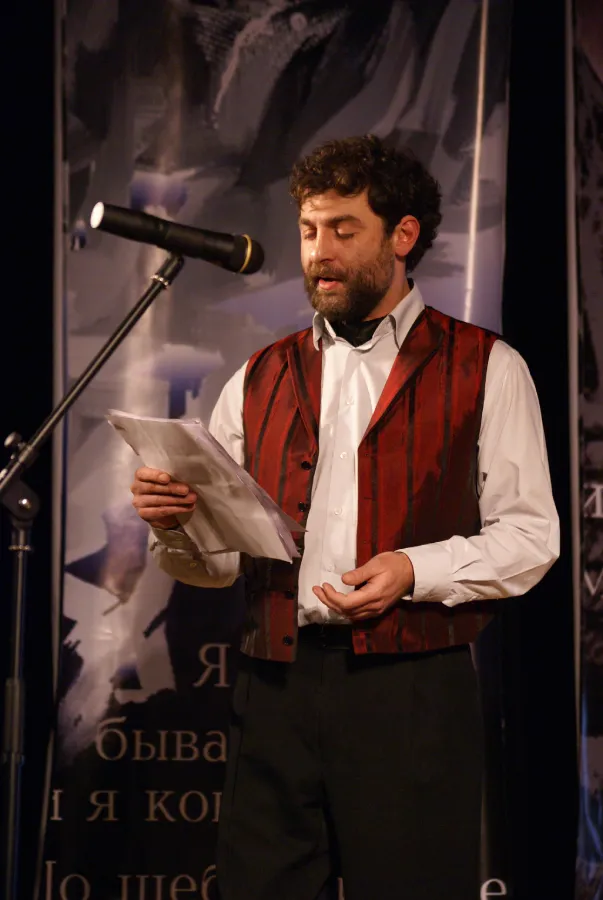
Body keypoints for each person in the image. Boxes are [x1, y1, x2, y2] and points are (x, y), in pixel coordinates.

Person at [130, 135, 559, 900]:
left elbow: (530, 538)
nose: (318, 253)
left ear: (402, 235)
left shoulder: (486, 366)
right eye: (307, 230)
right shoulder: (258, 375)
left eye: (342, 230)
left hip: (408, 692)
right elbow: (218, 563)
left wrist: (411, 569)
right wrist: (175, 524)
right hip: (274, 689)